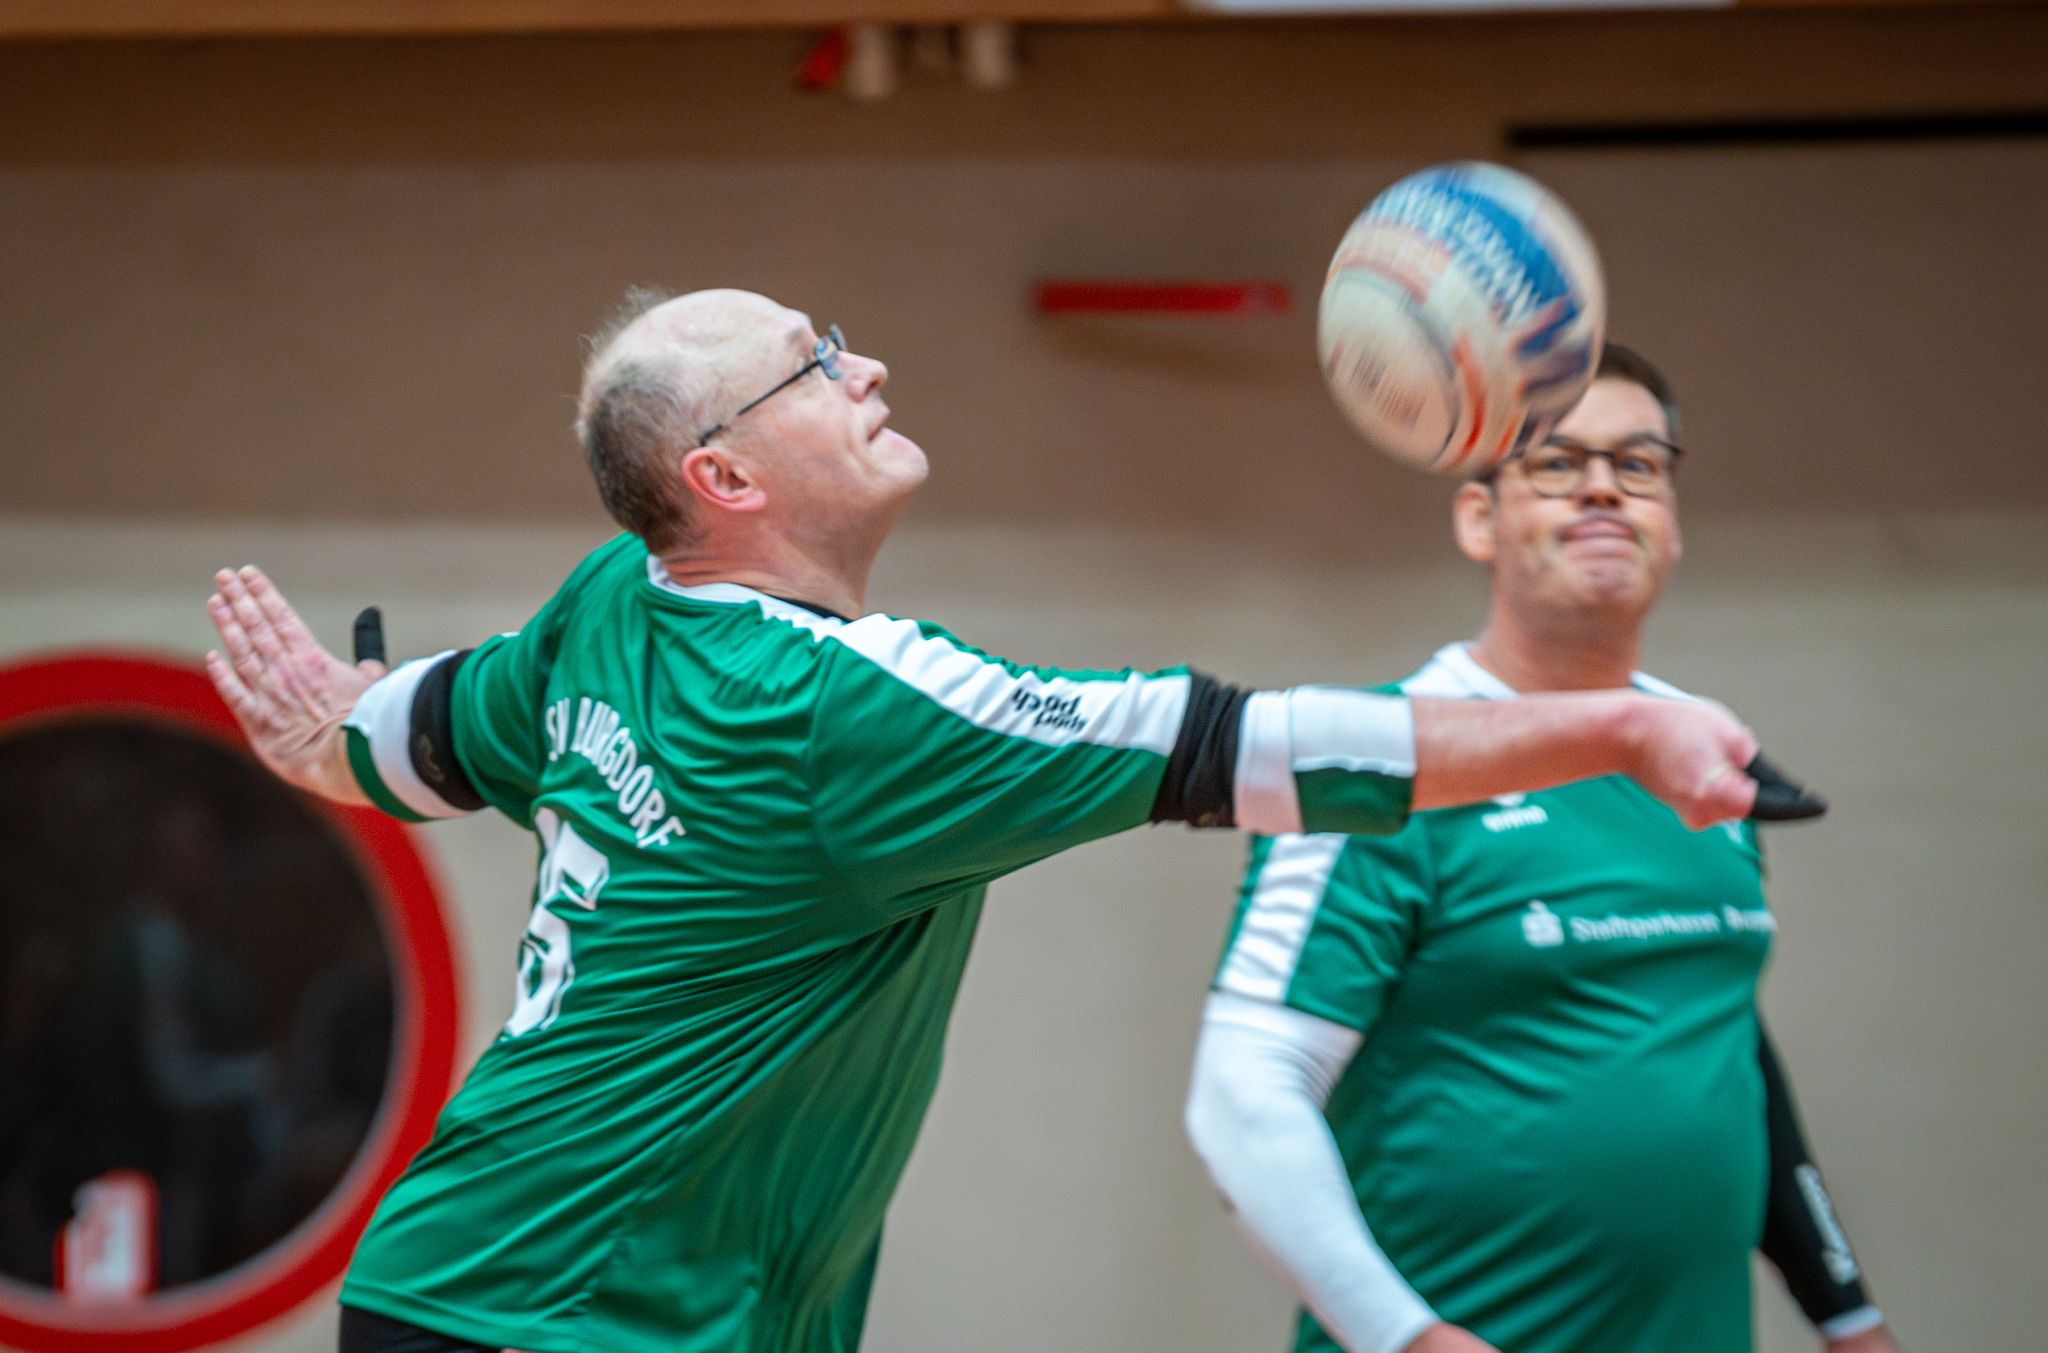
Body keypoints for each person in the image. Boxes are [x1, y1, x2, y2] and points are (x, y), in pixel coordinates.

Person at [204, 290, 1775, 1353]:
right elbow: (1257, 748)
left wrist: (328, 733)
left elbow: (429, 733)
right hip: (568, 1313)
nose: (866, 368)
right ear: (724, 474)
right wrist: (1619, 726)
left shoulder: (617, 595)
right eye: (815, 364)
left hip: (500, 1286)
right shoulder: (841, 707)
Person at [1186, 346, 1899, 1353]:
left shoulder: (1705, 755)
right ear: (1478, 518)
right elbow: (1243, 1093)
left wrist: (1847, 1314)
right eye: (1558, 462)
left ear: (1671, 523)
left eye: (1638, 464)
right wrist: (1403, 1338)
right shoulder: (1373, 767)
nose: (1603, 487)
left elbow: (1723, 1039)